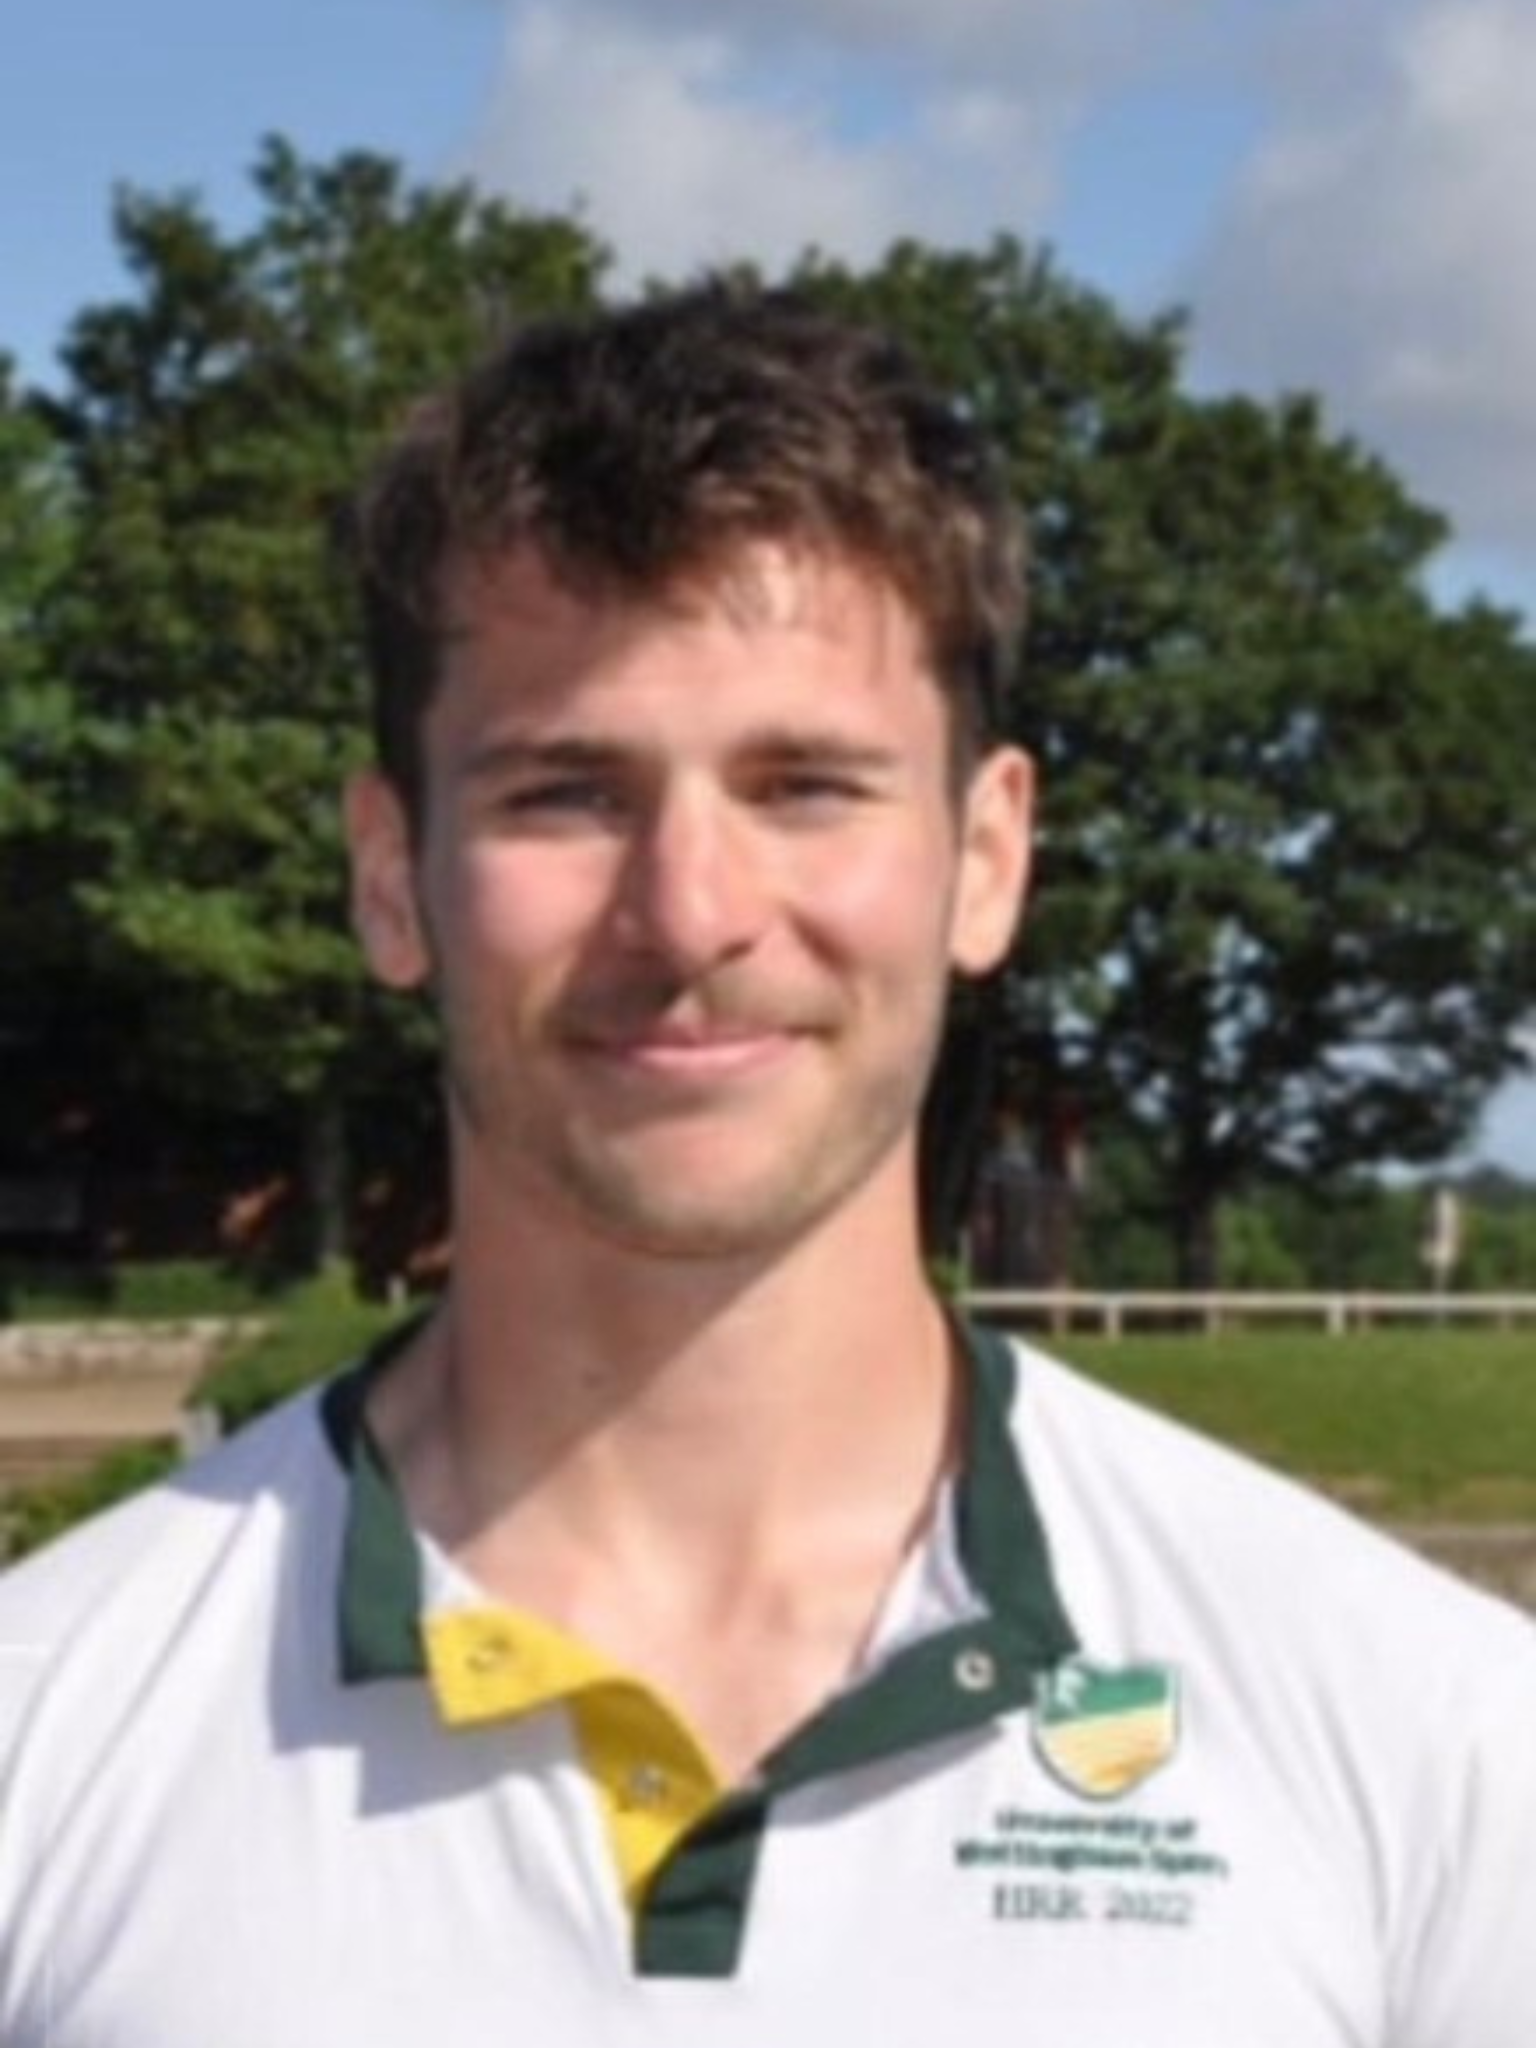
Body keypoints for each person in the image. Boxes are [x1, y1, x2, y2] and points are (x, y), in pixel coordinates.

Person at [0, 285, 1531, 2047]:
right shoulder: (52, 1728)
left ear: (984, 857)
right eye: (565, 794)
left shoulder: (1438, 1743)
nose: (694, 913)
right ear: (389, 874)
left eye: (804, 784)